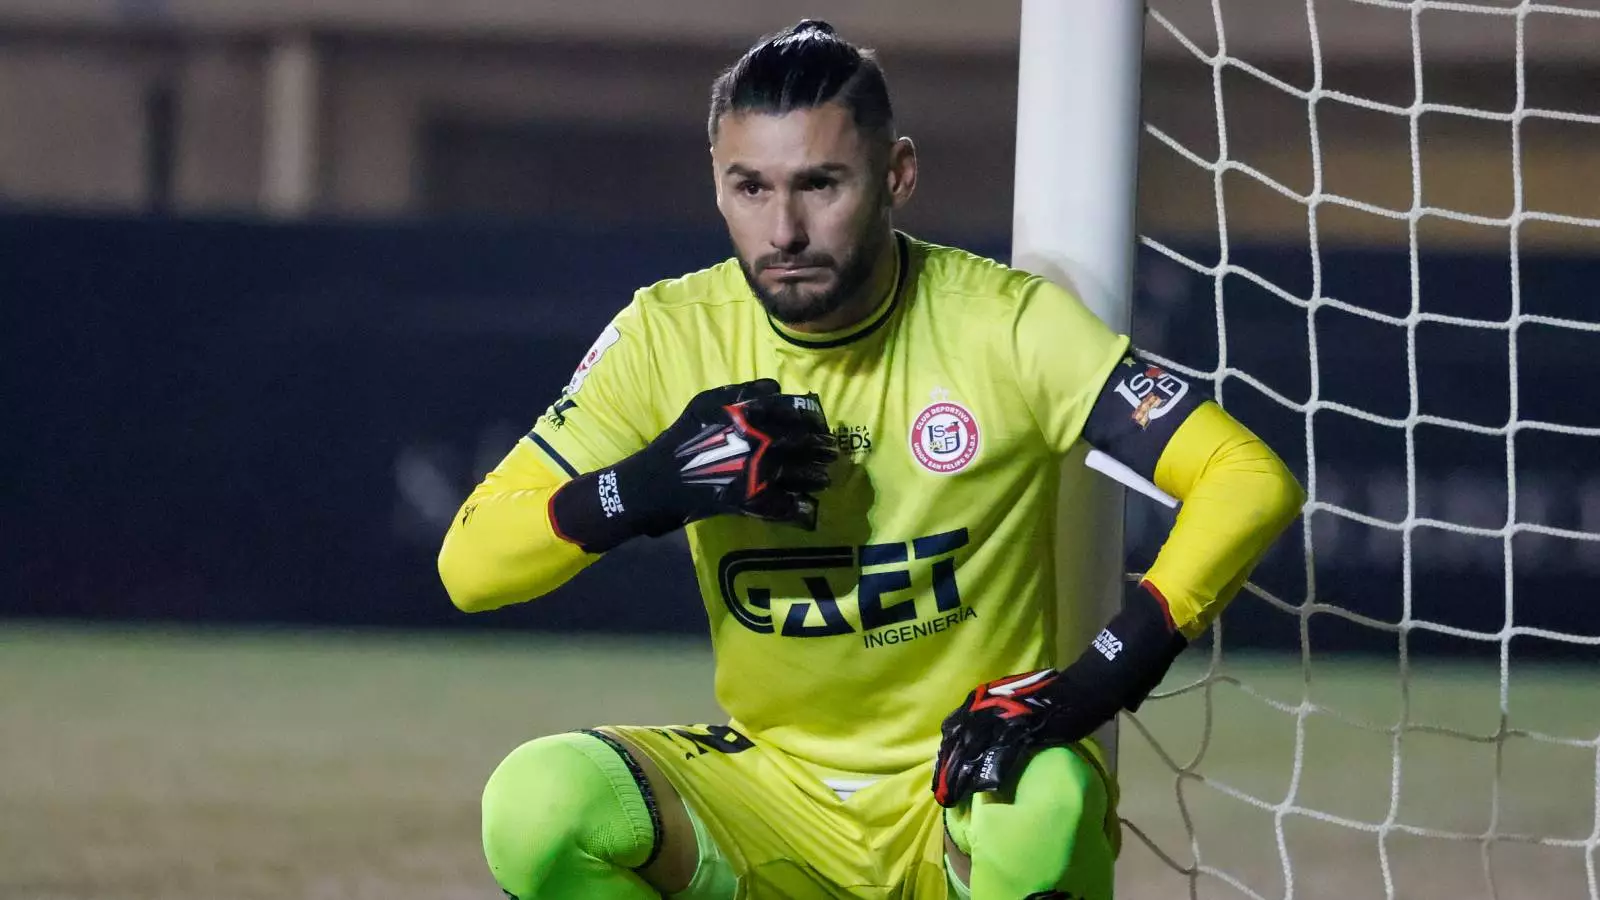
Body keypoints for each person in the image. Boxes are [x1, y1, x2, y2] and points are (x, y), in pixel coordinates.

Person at [437, 19, 1303, 900]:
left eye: (821, 183)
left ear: (897, 174)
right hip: (773, 792)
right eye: (750, 187)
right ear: (718, 184)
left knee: (1046, 800)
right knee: (538, 806)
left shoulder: (1005, 325)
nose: (784, 229)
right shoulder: (668, 337)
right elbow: (470, 565)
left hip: (963, 784)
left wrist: (1090, 686)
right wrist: (651, 485)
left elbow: (1245, 479)